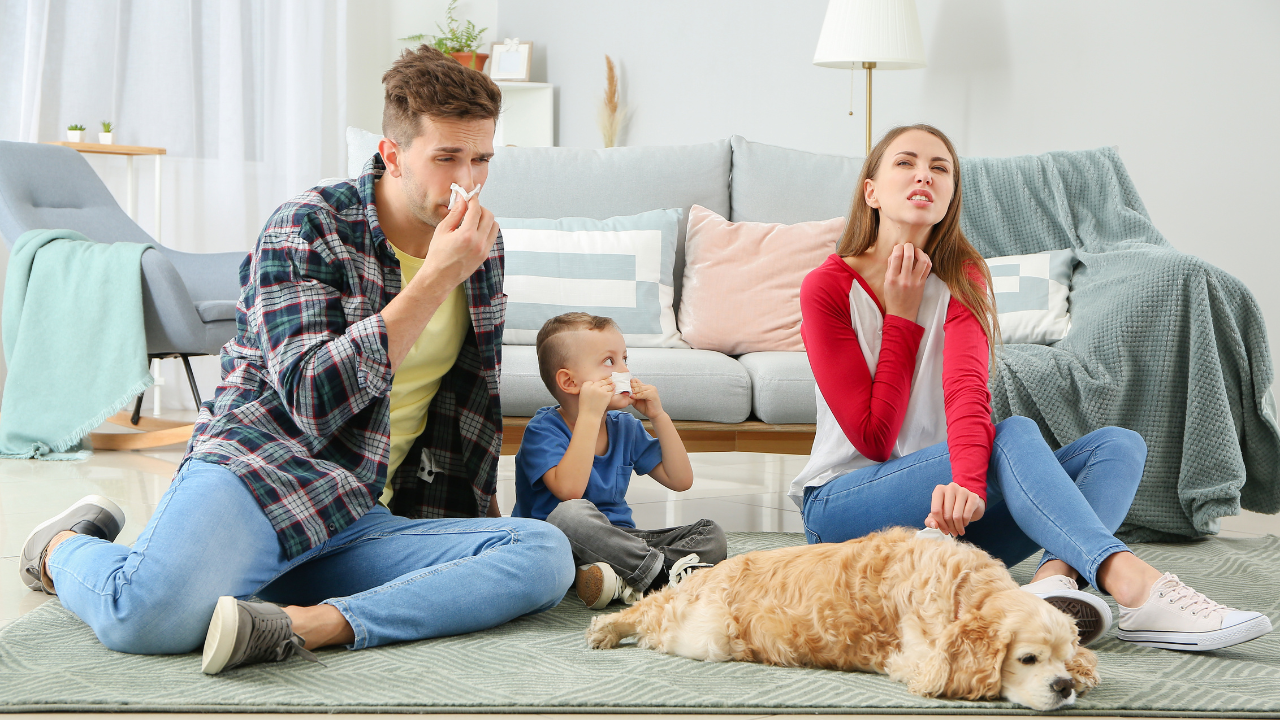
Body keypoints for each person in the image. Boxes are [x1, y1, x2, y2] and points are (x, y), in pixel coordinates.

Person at [17, 45, 574, 674]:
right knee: (144, 618)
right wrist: (433, 280)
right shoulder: (307, 226)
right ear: (391, 155)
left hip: (361, 511)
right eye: (446, 158)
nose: (466, 181)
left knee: (543, 554)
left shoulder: (481, 250)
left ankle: (305, 625)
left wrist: (473, 535)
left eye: (481, 160)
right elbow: (313, 398)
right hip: (262, 476)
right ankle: (62, 546)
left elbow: (468, 405)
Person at [793, 123, 1272, 652]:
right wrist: (903, 318)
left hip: (943, 516)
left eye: (940, 168)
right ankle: (1134, 585)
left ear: (952, 196)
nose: (923, 175)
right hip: (842, 512)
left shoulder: (964, 277)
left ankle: (1052, 583)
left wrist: (968, 488)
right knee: (1014, 432)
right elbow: (874, 438)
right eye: (905, 163)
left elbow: (967, 393)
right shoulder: (828, 286)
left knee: (1119, 446)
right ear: (872, 192)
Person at [513, 313, 727, 609]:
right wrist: (589, 415)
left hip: (621, 542)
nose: (624, 371)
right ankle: (661, 577)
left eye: (625, 359)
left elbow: (680, 480)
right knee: (570, 513)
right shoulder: (543, 430)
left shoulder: (624, 426)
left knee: (710, 533)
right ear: (570, 381)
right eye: (610, 362)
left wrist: (658, 416)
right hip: (556, 543)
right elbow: (570, 491)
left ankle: (625, 578)